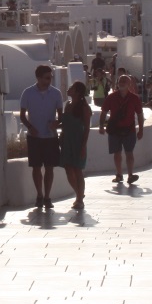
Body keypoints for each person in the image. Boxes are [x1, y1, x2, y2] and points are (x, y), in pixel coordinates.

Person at [19, 65, 65, 209]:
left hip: (50, 136)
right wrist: (30, 127)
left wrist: (56, 123)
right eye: (46, 78)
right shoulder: (28, 93)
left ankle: (47, 196)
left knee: (50, 168)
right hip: (35, 137)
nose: (49, 80)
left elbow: (61, 115)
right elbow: (22, 115)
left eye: (50, 77)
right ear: (38, 78)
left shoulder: (56, 93)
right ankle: (39, 194)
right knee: (36, 167)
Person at [99, 74, 145, 184]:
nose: (122, 82)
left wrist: (141, 130)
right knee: (117, 153)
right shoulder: (111, 97)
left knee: (129, 153)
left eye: (125, 81)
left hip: (129, 130)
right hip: (115, 130)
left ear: (129, 84)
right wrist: (101, 126)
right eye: (120, 80)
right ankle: (119, 174)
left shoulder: (134, 98)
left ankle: (130, 175)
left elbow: (139, 114)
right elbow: (104, 112)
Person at [59, 81, 92, 210]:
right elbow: (65, 123)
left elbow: (87, 128)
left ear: (77, 91)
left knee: (77, 170)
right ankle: (79, 193)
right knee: (68, 169)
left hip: (78, 141)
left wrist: (83, 146)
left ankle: (79, 199)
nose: (69, 89)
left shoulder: (84, 107)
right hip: (66, 141)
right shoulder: (68, 105)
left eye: (72, 87)